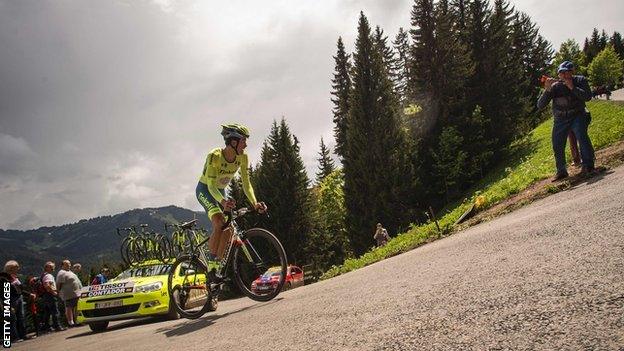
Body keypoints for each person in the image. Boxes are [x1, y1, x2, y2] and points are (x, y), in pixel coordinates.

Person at [196, 124, 267, 263]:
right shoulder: (214, 156)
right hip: (205, 190)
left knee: (228, 229)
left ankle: (217, 265)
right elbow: (210, 186)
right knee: (219, 222)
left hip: (220, 191)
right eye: (243, 141)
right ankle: (210, 264)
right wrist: (223, 201)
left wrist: (255, 203)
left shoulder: (243, 157)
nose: (245, 145)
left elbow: (246, 185)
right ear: (233, 142)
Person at [537, 61, 596, 181]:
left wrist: (572, 87)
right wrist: (547, 90)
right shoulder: (554, 87)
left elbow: (588, 97)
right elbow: (540, 105)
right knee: (557, 143)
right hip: (560, 119)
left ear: (572, 72)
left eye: (566, 72)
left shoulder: (580, 80)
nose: (563, 76)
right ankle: (561, 171)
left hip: (577, 115)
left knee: (582, 136)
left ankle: (588, 165)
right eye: (561, 73)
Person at [2, 260, 36, 342]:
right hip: (11, 299)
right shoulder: (4, 278)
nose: (18, 269)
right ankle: (14, 337)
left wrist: (29, 294)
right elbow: (4, 293)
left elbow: (20, 289)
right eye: (16, 268)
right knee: (12, 319)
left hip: (19, 298)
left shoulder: (14, 277)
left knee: (21, 317)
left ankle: (23, 335)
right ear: (10, 268)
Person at [40, 261, 65, 332]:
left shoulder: (43, 275)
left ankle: (47, 327)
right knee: (55, 311)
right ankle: (57, 326)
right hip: (50, 295)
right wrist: (54, 292)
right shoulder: (48, 276)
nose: (53, 268)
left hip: (45, 296)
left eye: (53, 267)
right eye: (51, 267)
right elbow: (47, 285)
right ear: (46, 268)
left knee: (47, 312)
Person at [56, 260, 82, 327]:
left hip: (76, 293)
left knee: (77, 307)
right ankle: (71, 323)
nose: (69, 265)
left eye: (69, 264)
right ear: (62, 265)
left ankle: (77, 320)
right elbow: (58, 284)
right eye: (67, 264)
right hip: (68, 294)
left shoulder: (69, 271)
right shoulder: (61, 273)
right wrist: (58, 292)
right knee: (69, 308)